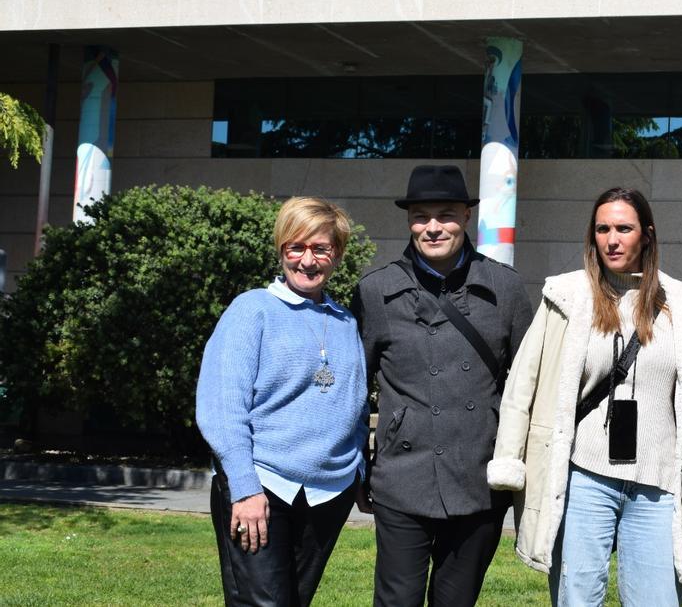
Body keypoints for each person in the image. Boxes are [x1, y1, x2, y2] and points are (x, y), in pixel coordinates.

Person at [488, 186, 682, 607]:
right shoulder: (566, 297)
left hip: (658, 483)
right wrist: (509, 458)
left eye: (624, 228)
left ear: (646, 235)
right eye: (603, 229)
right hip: (583, 476)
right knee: (577, 599)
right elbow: (523, 382)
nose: (612, 239)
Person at [351, 164, 533, 607]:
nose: (433, 227)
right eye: (421, 216)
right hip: (401, 476)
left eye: (446, 214)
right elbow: (355, 389)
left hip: (478, 477)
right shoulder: (376, 291)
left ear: (466, 218)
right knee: (397, 601)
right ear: (409, 220)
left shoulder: (505, 287)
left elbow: (530, 383)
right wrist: (359, 462)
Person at [196, 196, 369, 607]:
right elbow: (222, 409)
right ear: (281, 250)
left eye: (320, 248)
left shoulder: (345, 322)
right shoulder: (251, 310)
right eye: (297, 247)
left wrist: (359, 471)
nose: (307, 260)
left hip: (329, 494)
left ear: (337, 254)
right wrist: (243, 488)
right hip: (262, 487)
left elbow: (356, 405)